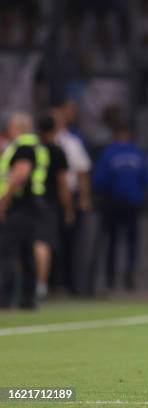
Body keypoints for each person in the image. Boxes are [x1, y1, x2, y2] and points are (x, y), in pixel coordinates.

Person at [93, 123, 148, 291]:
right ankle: (113, 277)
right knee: (115, 241)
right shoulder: (113, 153)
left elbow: (146, 178)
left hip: (127, 202)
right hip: (116, 203)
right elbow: (101, 181)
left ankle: (128, 275)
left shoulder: (133, 152)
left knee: (127, 241)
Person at [0, 113, 49, 309]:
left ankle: (5, 296)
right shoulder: (36, 146)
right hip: (32, 204)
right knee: (26, 251)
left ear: (16, 127)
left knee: (6, 250)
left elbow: (20, 174)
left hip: (20, 205)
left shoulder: (23, 148)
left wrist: (4, 201)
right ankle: (28, 298)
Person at [52, 104, 93, 294]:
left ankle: (70, 284)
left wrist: (84, 197)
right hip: (46, 197)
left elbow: (82, 171)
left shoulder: (72, 142)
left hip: (69, 195)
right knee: (48, 241)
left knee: (70, 242)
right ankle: (50, 283)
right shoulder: (38, 141)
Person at [34, 114, 74, 298]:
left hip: (28, 201)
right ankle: (40, 285)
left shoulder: (31, 149)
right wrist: (68, 208)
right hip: (49, 202)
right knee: (43, 243)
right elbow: (62, 182)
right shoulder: (57, 151)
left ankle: (25, 283)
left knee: (26, 243)